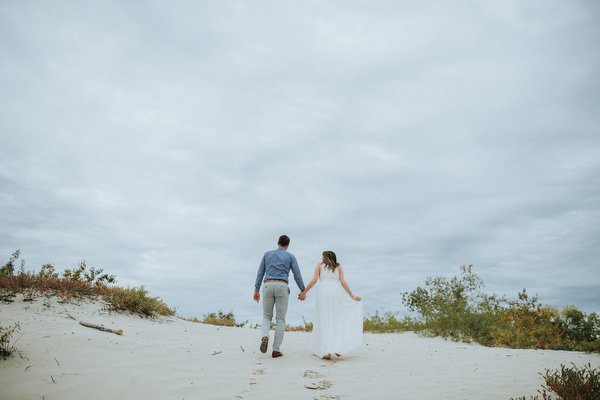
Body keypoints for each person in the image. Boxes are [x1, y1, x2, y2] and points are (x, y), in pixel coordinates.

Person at [299, 251, 362, 359]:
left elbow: (314, 280)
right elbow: (342, 282)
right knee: (336, 318)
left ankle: (327, 351)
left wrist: (304, 292)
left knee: (324, 319)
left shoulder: (319, 266)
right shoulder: (339, 267)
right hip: (336, 292)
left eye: (323, 256)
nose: (321, 258)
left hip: (323, 291)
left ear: (325, 257)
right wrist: (352, 295)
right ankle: (338, 348)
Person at [254, 235, 306, 358]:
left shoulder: (267, 254)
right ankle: (276, 349)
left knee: (267, 316)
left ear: (277, 243)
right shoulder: (290, 256)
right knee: (280, 319)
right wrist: (303, 290)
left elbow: (260, 273)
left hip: (267, 285)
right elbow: (297, 275)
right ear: (288, 245)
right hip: (282, 286)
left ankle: (265, 336)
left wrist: (256, 289)